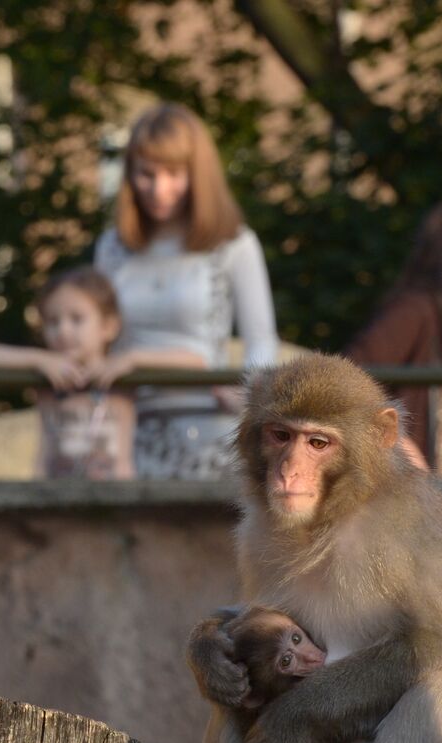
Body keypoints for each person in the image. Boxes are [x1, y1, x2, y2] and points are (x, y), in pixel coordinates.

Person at [94, 103, 279, 480]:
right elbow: (98, 339)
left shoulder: (234, 244)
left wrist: (249, 395)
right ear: (129, 175)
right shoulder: (112, 247)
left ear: (199, 175)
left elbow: (260, 341)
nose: (159, 189)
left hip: (209, 428)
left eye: (174, 174)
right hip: (126, 430)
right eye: (147, 174)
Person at [345, 201, 442, 478]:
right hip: (405, 502)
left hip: (435, 503)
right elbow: (347, 380)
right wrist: (397, 444)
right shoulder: (416, 311)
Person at [0, 266, 136, 480]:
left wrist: (132, 360)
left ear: (109, 327)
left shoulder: (121, 377)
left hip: (114, 501)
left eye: (76, 319)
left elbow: (189, 358)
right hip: (54, 497)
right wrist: (40, 359)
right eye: (53, 322)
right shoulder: (47, 377)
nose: (63, 331)